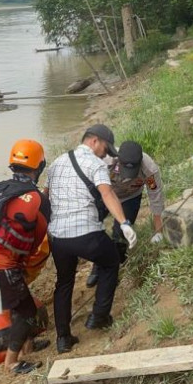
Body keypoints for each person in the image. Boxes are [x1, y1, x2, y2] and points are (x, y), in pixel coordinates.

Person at [46, 124, 137, 353]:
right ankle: (99, 316)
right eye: (106, 148)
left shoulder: (56, 162)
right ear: (94, 141)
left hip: (58, 236)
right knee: (111, 261)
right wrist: (124, 223)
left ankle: (63, 339)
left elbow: (45, 196)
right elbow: (107, 193)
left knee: (64, 282)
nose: (106, 154)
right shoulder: (95, 163)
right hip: (85, 231)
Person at [0, 139, 52, 374]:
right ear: (40, 166)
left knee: (19, 300)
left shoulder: (0, 189)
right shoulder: (39, 201)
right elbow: (36, 243)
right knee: (27, 310)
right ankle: (12, 362)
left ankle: (28, 346)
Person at [84, 140, 166, 287]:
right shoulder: (104, 159)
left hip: (130, 197)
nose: (128, 176)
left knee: (120, 235)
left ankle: (114, 269)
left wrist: (158, 231)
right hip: (106, 194)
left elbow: (156, 196)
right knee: (95, 228)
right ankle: (97, 266)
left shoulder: (150, 169)